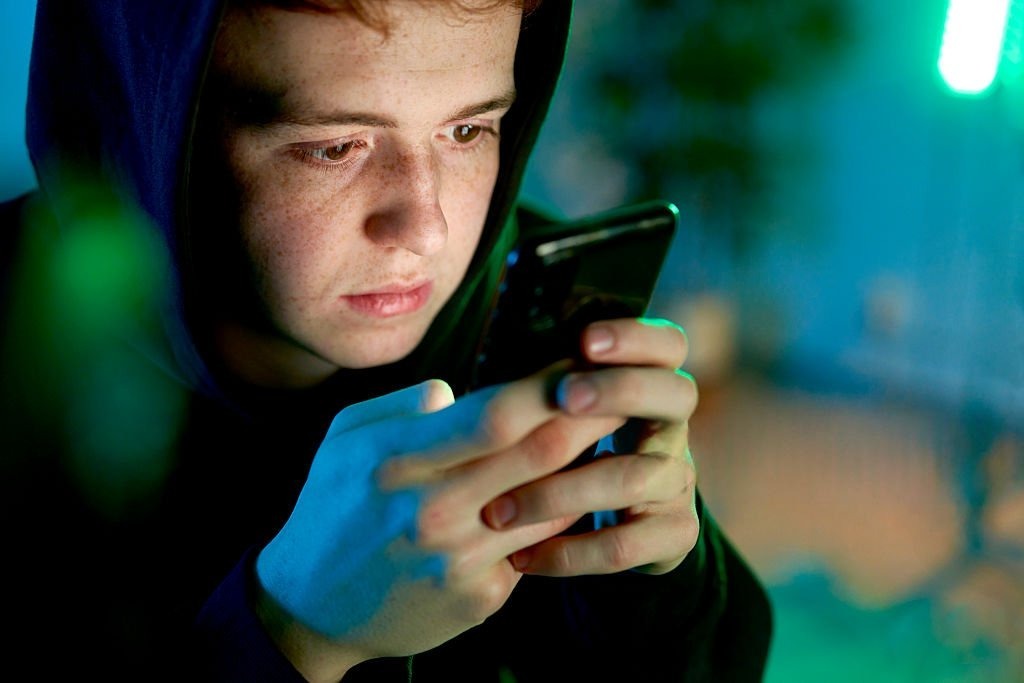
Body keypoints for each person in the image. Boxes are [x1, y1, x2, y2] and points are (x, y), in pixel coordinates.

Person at [0, 0, 773, 680]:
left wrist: (656, 575)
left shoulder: (519, 306)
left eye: (468, 129)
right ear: (153, 124)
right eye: (334, 147)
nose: (427, 226)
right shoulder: (33, 354)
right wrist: (289, 634)